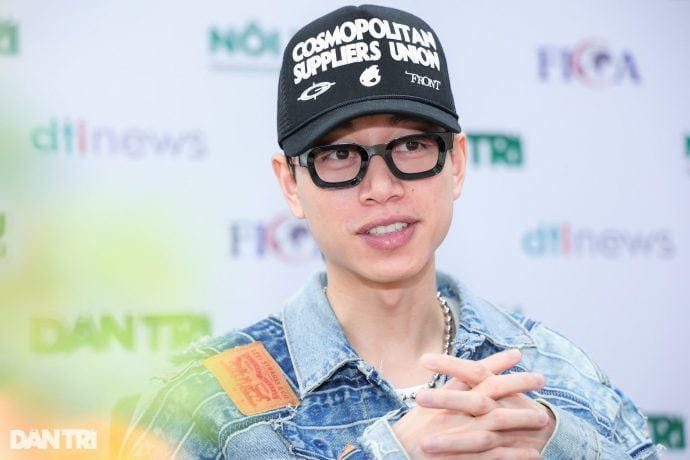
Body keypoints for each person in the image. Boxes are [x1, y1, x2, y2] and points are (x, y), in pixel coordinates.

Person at [118, 5, 660, 459]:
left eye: (412, 147)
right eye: (338, 155)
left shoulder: (556, 373)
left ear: (456, 163)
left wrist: (555, 443)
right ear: (290, 184)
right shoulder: (207, 402)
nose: (380, 188)